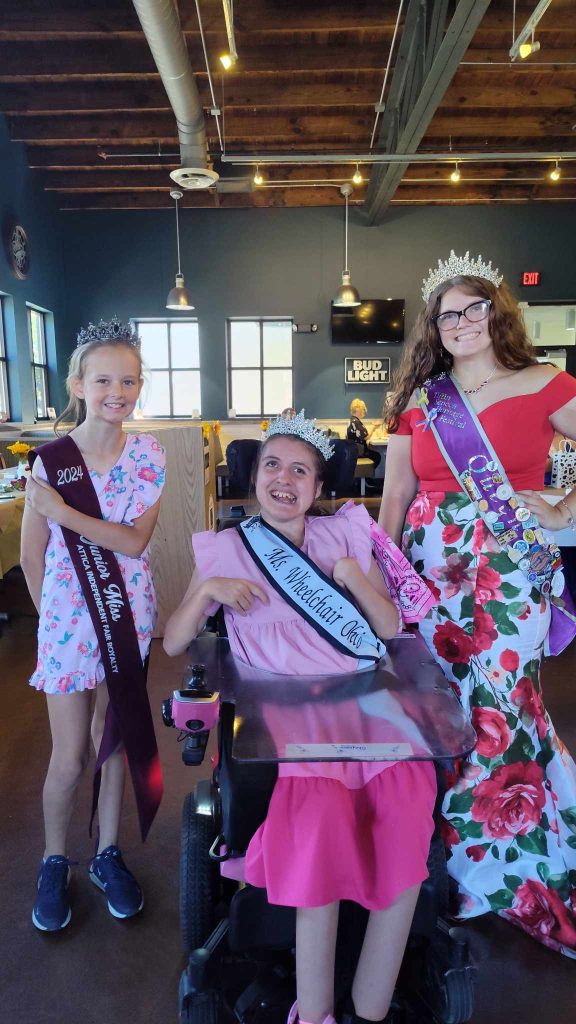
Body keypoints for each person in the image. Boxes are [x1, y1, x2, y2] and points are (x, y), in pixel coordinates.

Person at [164, 412, 437, 1024]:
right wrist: (209, 592)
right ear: (255, 477)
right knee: (320, 822)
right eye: (272, 466)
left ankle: (371, 1007)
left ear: (318, 488)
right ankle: (312, 1012)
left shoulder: (344, 536)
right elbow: (175, 643)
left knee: (408, 804)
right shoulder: (227, 547)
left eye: (300, 470)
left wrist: (354, 581)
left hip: (363, 700)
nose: (284, 479)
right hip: (287, 715)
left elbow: (390, 628)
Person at [379, 250, 576, 957]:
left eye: (474, 308)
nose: (462, 322)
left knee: (503, 707)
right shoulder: (422, 402)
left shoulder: (546, 383)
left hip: (509, 579)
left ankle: (506, 868)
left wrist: (561, 512)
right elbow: (395, 500)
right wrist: (388, 584)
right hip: (432, 581)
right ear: (435, 326)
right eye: (447, 313)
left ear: (497, 312)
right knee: (440, 707)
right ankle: (446, 865)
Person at [21, 317, 165, 932]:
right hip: (65, 629)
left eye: (128, 380)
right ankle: (55, 860)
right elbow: (32, 556)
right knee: (69, 756)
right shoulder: (51, 462)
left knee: (115, 743)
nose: (117, 391)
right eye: (104, 378)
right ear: (78, 383)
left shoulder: (149, 455)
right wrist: (53, 621)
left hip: (126, 618)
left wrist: (63, 513)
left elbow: (134, 544)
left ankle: (108, 853)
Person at [346, 399, 381, 488]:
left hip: (354, 451)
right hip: (359, 452)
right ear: (359, 410)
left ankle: (365, 478)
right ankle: (367, 478)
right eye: (363, 410)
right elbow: (365, 437)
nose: (364, 413)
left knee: (375, 455)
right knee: (377, 456)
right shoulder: (356, 422)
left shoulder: (351, 421)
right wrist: (374, 427)